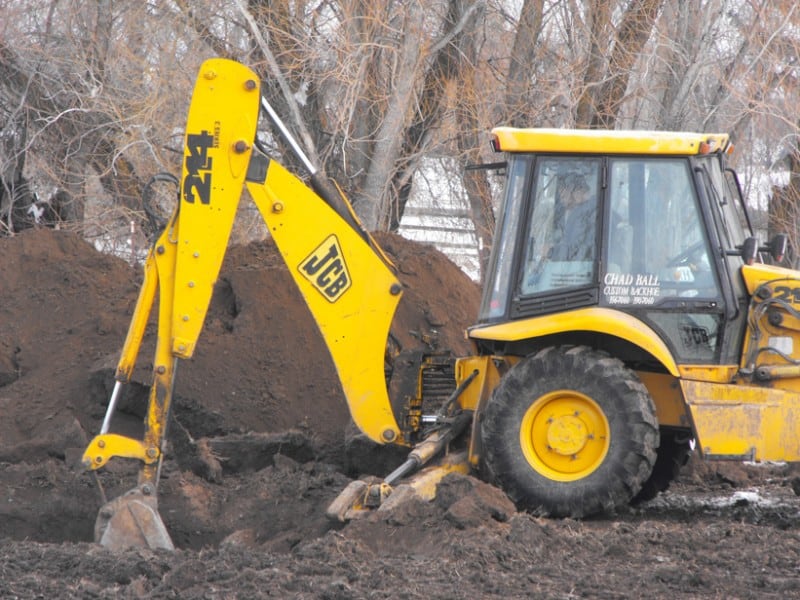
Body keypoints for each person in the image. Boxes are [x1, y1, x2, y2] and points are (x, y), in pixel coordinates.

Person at [549, 172, 597, 262]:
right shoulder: (570, 213)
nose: (562, 201)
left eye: (563, 197)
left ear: (576, 192)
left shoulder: (584, 214)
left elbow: (575, 249)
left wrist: (550, 251)